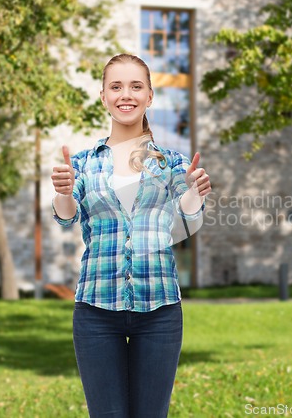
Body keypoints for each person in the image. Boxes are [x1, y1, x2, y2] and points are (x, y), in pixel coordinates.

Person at [50, 53, 211, 418]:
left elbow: (187, 214)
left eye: (136, 86)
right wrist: (63, 191)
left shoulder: (171, 162)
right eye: (117, 86)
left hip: (159, 311)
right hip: (95, 311)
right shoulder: (83, 164)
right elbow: (65, 216)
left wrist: (194, 191)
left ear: (150, 96)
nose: (127, 94)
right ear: (103, 96)